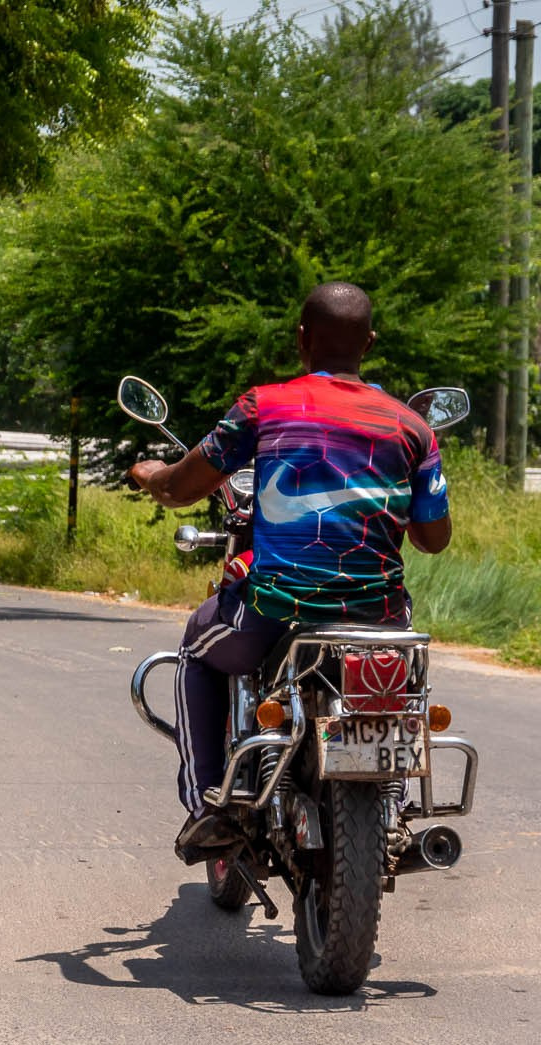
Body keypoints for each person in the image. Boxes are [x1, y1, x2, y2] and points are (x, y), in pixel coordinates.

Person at [126, 282, 452, 861]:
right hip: (378, 616)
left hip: (281, 608)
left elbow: (180, 487)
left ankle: (211, 808)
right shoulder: (413, 428)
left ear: (301, 339)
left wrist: (151, 474)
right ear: (369, 344)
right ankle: (394, 808)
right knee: (396, 684)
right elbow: (434, 538)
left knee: (196, 652)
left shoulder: (264, 405)